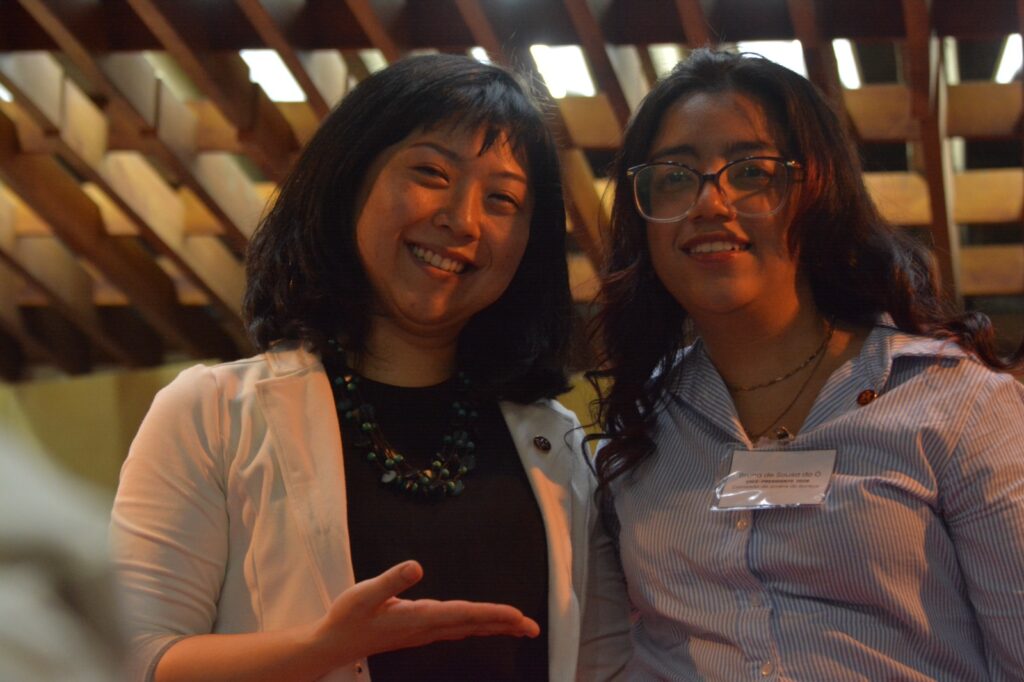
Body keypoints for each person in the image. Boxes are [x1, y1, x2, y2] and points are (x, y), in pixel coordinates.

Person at [111, 53, 603, 682]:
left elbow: (607, 663)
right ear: (348, 180)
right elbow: (127, 657)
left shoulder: (560, 445)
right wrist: (318, 649)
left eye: (503, 199)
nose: (463, 219)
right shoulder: (210, 413)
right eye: (431, 172)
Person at [588, 48, 1024, 680]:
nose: (709, 203)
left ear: (818, 193)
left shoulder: (958, 404)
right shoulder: (640, 424)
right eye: (675, 176)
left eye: (751, 172)